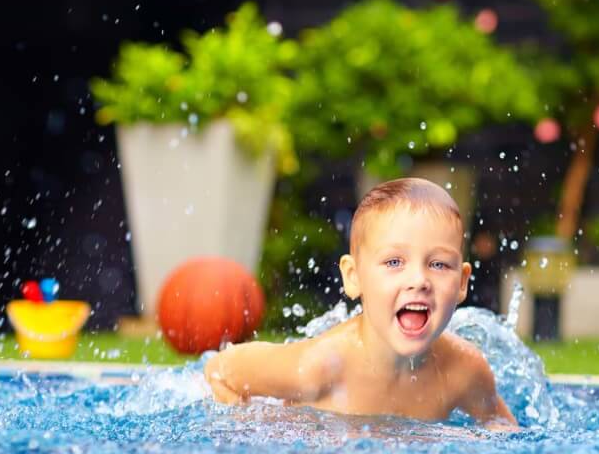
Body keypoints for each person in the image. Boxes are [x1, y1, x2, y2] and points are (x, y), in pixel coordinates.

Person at [205, 177, 518, 430]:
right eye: (395, 261)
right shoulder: (318, 368)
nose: (419, 280)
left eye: (438, 265)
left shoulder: (465, 370)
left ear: (462, 282)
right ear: (353, 277)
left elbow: (500, 426)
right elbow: (221, 370)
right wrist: (256, 427)